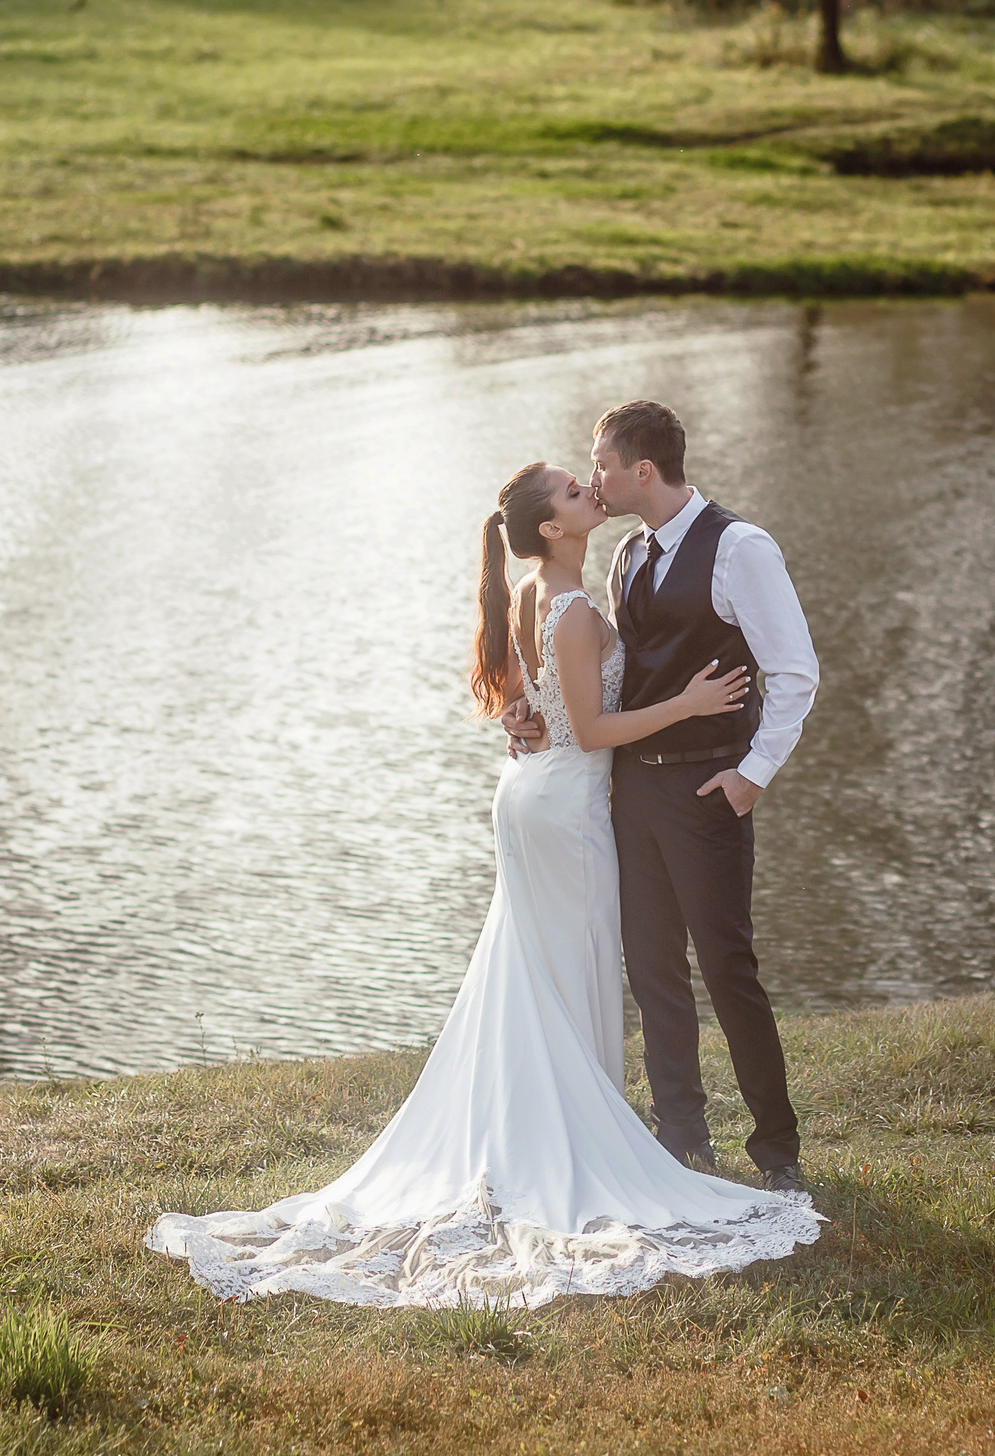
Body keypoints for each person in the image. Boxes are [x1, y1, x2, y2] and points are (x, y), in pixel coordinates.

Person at [146, 462, 822, 1307]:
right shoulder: (571, 606)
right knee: (564, 971)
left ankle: (553, 1131)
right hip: (566, 805)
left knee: (533, 975)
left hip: (543, 793)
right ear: (551, 527)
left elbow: (541, 700)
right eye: (577, 491)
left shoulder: (550, 588)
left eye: (591, 478)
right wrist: (687, 703)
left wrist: (524, 711)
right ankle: (571, 1145)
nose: (591, 490)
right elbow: (591, 725)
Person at [508, 401, 818, 1187]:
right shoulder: (625, 558)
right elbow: (610, 687)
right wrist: (541, 720)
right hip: (629, 793)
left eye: (601, 463)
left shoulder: (740, 547)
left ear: (642, 470)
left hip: (709, 785)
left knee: (726, 967)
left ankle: (776, 1150)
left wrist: (752, 775)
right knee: (651, 968)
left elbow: (794, 673)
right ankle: (681, 1135)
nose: (596, 479)